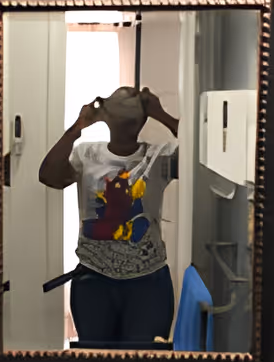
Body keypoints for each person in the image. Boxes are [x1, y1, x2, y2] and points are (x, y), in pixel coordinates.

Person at [38, 85, 180, 347]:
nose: (135, 92)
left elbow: (203, 153)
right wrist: (76, 128)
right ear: (105, 114)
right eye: (124, 93)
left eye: (136, 96)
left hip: (148, 283)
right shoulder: (86, 153)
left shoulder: (159, 157)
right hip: (94, 282)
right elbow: (49, 176)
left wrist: (162, 114)